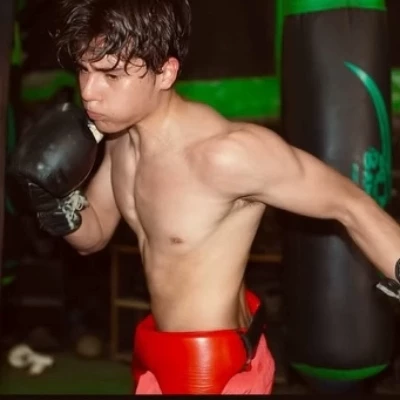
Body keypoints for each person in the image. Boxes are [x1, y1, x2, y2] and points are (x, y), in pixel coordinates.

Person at [8, 0, 400, 395]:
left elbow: (349, 203)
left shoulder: (225, 155)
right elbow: (93, 236)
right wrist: (55, 204)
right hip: (157, 355)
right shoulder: (120, 142)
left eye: (111, 74)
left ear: (165, 72)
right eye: (84, 70)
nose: (89, 92)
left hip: (218, 370)